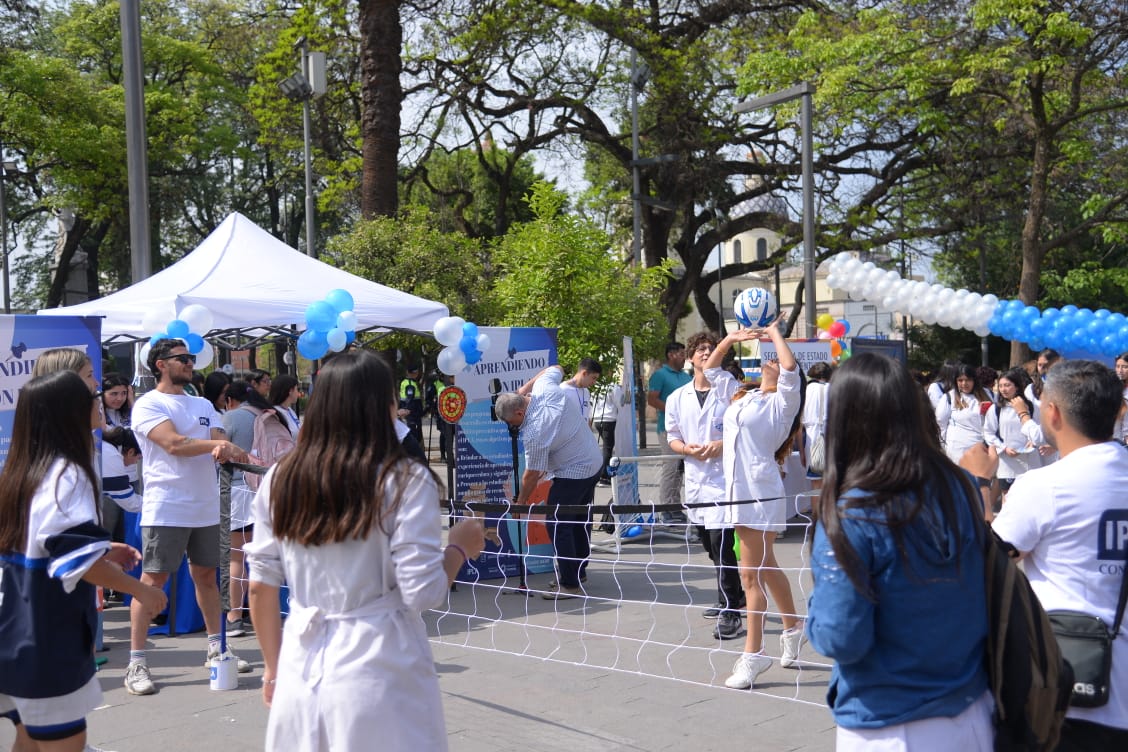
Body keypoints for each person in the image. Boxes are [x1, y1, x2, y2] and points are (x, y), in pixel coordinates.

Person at [245, 349, 485, 752]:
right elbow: (422, 590)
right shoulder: (404, 480)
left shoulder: (279, 479)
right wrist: (459, 547)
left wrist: (272, 666)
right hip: (379, 666)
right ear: (385, 405)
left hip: (301, 667)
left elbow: (260, 585)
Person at [806, 352, 993, 750]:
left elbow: (841, 635)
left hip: (890, 721)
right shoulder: (959, 485)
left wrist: (814, 613)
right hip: (973, 709)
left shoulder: (852, 509)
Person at [0, 370, 167, 752]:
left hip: (16, 634)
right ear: (71, 410)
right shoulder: (67, 473)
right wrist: (144, 591)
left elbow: (43, 544)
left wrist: (103, 549)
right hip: (49, 639)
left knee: (27, 742)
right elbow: (77, 563)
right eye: (92, 395)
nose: (100, 402)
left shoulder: (23, 473)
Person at [992, 359, 1128, 750]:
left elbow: (990, 560)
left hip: (1066, 691)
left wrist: (976, 496)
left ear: (1051, 413)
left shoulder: (1045, 486)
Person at [124, 338, 250, 696]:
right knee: (151, 582)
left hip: (206, 504)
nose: (190, 363)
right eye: (182, 358)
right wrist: (217, 446)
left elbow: (217, 437)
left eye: (191, 357)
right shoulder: (150, 403)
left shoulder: (201, 402)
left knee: (207, 577)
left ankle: (216, 647)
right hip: (167, 506)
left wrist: (223, 446)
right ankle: (136, 662)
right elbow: (174, 445)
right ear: (160, 364)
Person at [706, 318, 805, 689]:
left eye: (775, 361)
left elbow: (791, 368)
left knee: (750, 574)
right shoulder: (742, 395)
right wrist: (732, 337)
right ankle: (794, 626)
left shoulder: (782, 403)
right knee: (765, 567)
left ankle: (754, 654)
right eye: (770, 359)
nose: (771, 362)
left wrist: (776, 332)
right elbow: (711, 368)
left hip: (758, 494)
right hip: (735, 492)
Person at [495, 365, 603, 599]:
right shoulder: (545, 388)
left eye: (510, 422)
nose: (511, 427)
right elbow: (556, 368)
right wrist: (526, 387)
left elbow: (532, 474)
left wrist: (520, 503)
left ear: (519, 414)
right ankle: (578, 571)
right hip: (593, 461)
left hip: (575, 472)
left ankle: (569, 583)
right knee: (578, 520)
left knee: (558, 524)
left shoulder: (534, 432)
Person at [665, 331, 746, 641]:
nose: (706, 353)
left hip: (724, 481)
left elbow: (744, 430)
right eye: (700, 349)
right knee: (709, 545)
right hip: (697, 482)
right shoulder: (677, 397)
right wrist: (685, 449)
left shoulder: (731, 389)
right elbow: (673, 436)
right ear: (690, 357)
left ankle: (730, 613)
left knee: (722, 546)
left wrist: (721, 444)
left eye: (711, 349)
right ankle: (735, 594)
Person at [982, 367, 1041, 509]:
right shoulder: (996, 409)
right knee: (1007, 496)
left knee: (1028, 497)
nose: (1003, 389)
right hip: (1007, 461)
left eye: (1007, 385)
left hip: (1029, 458)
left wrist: (1031, 442)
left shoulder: (1031, 407)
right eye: (1001, 386)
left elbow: (1039, 428)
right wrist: (1003, 448)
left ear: (1017, 386)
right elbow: (988, 432)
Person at [648, 343, 691, 520]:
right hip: (667, 429)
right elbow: (652, 400)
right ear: (671, 355)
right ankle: (666, 507)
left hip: (686, 430)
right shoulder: (660, 375)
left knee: (679, 469)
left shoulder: (686, 376)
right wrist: (673, 412)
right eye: (682, 354)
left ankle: (675, 506)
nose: (684, 357)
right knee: (670, 468)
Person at [802, 362, 832, 491]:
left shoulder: (806, 390)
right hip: (832, 437)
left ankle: (816, 512)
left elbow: (798, 423)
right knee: (831, 483)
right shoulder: (834, 388)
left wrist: (802, 450)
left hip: (812, 438)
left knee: (816, 486)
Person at [591, 380, 625, 486]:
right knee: (607, 448)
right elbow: (621, 403)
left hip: (597, 420)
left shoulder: (595, 386)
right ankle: (604, 476)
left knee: (606, 446)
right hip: (609, 419)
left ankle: (603, 474)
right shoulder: (613, 387)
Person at [560, 358, 602, 423]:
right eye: (593, 378)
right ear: (584, 373)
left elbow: (587, 418)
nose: (594, 382)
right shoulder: (562, 389)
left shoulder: (586, 392)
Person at [398, 363, 425, 445]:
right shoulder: (410, 384)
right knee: (415, 436)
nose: (416, 374)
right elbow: (409, 399)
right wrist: (407, 409)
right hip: (412, 414)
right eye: (415, 372)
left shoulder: (405, 382)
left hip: (411, 414)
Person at [1114, 353, 1128, 445]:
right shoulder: (1112, 387)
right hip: (1113, 438)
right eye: (1117, 366)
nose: (1120, 370)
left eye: (1125, 367)